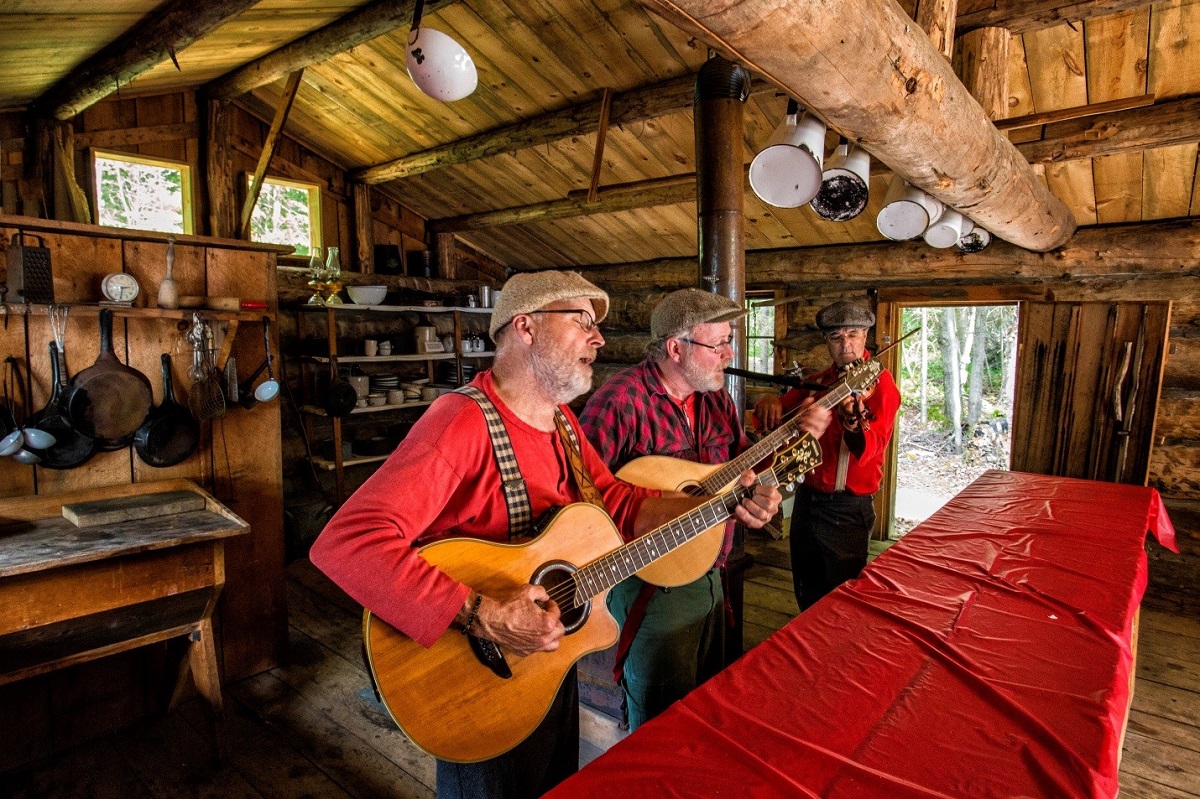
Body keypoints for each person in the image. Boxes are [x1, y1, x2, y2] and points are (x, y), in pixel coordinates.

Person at [309, 272, 782, 799]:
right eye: (582, 321)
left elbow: (618, 505)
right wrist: (480, 613)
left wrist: (718, 505)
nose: (599, 338)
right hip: (473, 676)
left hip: (550, 662)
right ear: (526, 327)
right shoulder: (461, 422)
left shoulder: (560, 423)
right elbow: (346, 542)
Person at [579, 288, 830, 731]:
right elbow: (581, 501)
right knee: (661, 717)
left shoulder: (715, 399)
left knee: (708, 702)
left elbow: (744, 470)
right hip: (651, 586)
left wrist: (765, 491)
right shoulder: (620, 402)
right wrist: (664, 507)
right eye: (718, 344)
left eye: (729, 340)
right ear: (676, 348)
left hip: (715, 567)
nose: (729, 353)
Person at [754, 299, 901, 611]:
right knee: (806, 588)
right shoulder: (820, 382)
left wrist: (851, 420)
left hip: (846, 508)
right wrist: (768, 400)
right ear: (827, 342)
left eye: (853, 335)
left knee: (841, 599)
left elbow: (871, 448)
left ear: (865, 338)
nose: (845, 345)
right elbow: (776, 412)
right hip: (808, 500)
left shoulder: (882, 387)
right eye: (836, 338)